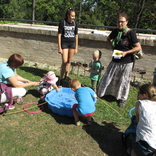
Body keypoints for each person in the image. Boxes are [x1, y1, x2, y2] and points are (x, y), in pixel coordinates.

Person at [97, 12, 141, 107]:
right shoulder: (116, 32)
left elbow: (138, 47)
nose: (120, 24)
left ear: (127, 22)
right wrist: (113, 48)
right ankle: (103, 93)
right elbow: (108, 39)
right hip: (115, 59)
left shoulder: (130, 33)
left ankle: (122, 99)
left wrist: (126, 52)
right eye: (118, 22)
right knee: (108, 77)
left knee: (124, 81)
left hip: (127, 61)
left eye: (122, 22)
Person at [127, 84, 156, 156]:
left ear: (144, 95)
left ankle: (134, 152)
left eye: (139, 93)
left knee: (134, 136)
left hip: (146, 148)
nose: (138, 95)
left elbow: (137, 120)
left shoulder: (140, 103)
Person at [58, 7, 78, 84]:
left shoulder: (75, 23)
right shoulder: (62, 22)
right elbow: (59, 35)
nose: (73, 17)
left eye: (74, 16)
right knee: (64, 61)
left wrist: (76, 47)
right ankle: (61, 78)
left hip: (72, 43)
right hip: (65, 43)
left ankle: (67, 75)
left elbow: (76, 35)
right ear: (68, 15)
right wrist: (59, 47)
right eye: (72, 16)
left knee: (69, 61)